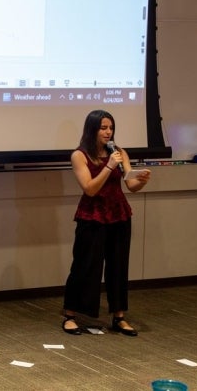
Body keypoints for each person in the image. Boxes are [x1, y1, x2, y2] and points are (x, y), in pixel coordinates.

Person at [61, 109, 150, 337]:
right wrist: (109, 166)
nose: (108, 132)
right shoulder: (79, 155)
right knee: (84, 265)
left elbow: (130, 185)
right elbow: (89, 188)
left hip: (118, 213)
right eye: (103, 128)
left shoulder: (119, 152)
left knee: (118, 265)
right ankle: (70, 315)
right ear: (92, 129)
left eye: (111, 128)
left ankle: (119, 316)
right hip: (92, 215)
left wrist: (141, 181)